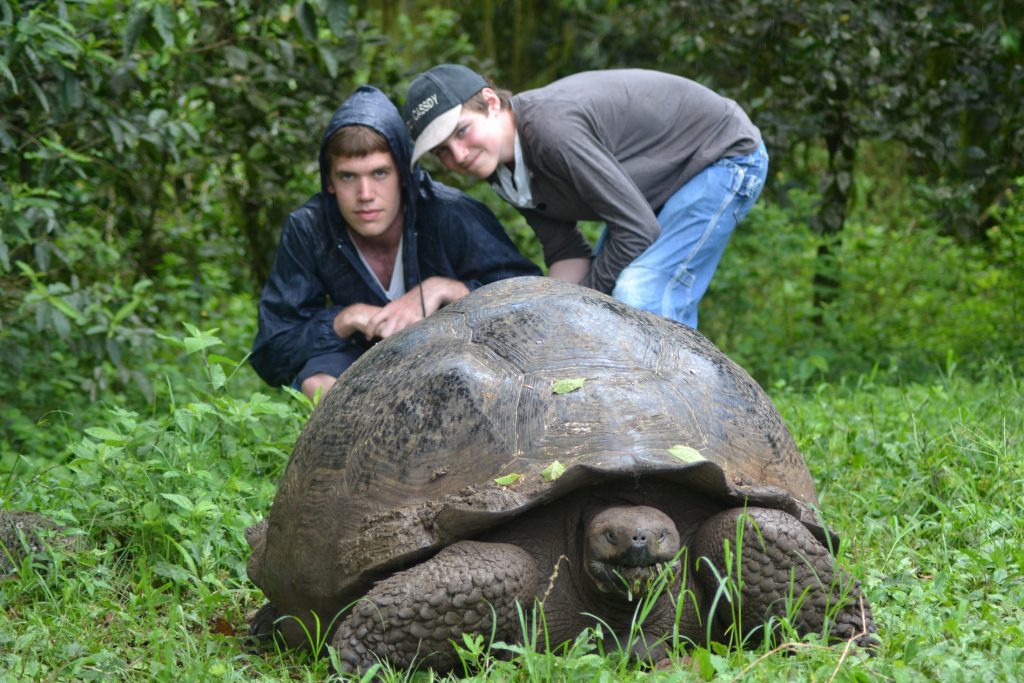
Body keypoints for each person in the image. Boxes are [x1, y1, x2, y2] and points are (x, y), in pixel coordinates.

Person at [403, 65, 768, 328]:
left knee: (639, 293)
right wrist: (555, 320)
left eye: (462, 131)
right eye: (443, 151)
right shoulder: (500, 167)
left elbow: (636, 229)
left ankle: (684, 424)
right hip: (661, 184)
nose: (459, 155)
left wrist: (585, 304)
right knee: (598, 301)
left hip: (722, 157)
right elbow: (566, 252)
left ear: (491, 103)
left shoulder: (550, 131)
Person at [250, 85, 540, 398]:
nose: (365, 195)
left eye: (379, 173)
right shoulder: (308, 228)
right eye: (348, 176)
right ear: (329, 182)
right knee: (317, 378)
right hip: (362, 368)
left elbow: (531, 303)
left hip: (453, 362)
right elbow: (271, 351)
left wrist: (448, 289)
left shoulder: (450, 212)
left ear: (403, 174)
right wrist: (343, 318)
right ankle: (354, 444)